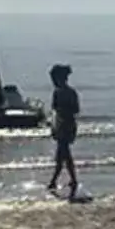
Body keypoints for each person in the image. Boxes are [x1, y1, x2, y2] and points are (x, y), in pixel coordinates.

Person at [48, 64, 80, 198]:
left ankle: (58, 181)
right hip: (66, 124)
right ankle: (60, 180)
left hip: (64, 125)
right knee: (63, 155)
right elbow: (76, 109)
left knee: (63, 154)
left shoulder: (60, 92)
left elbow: (57, 110)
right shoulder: (69, 92)